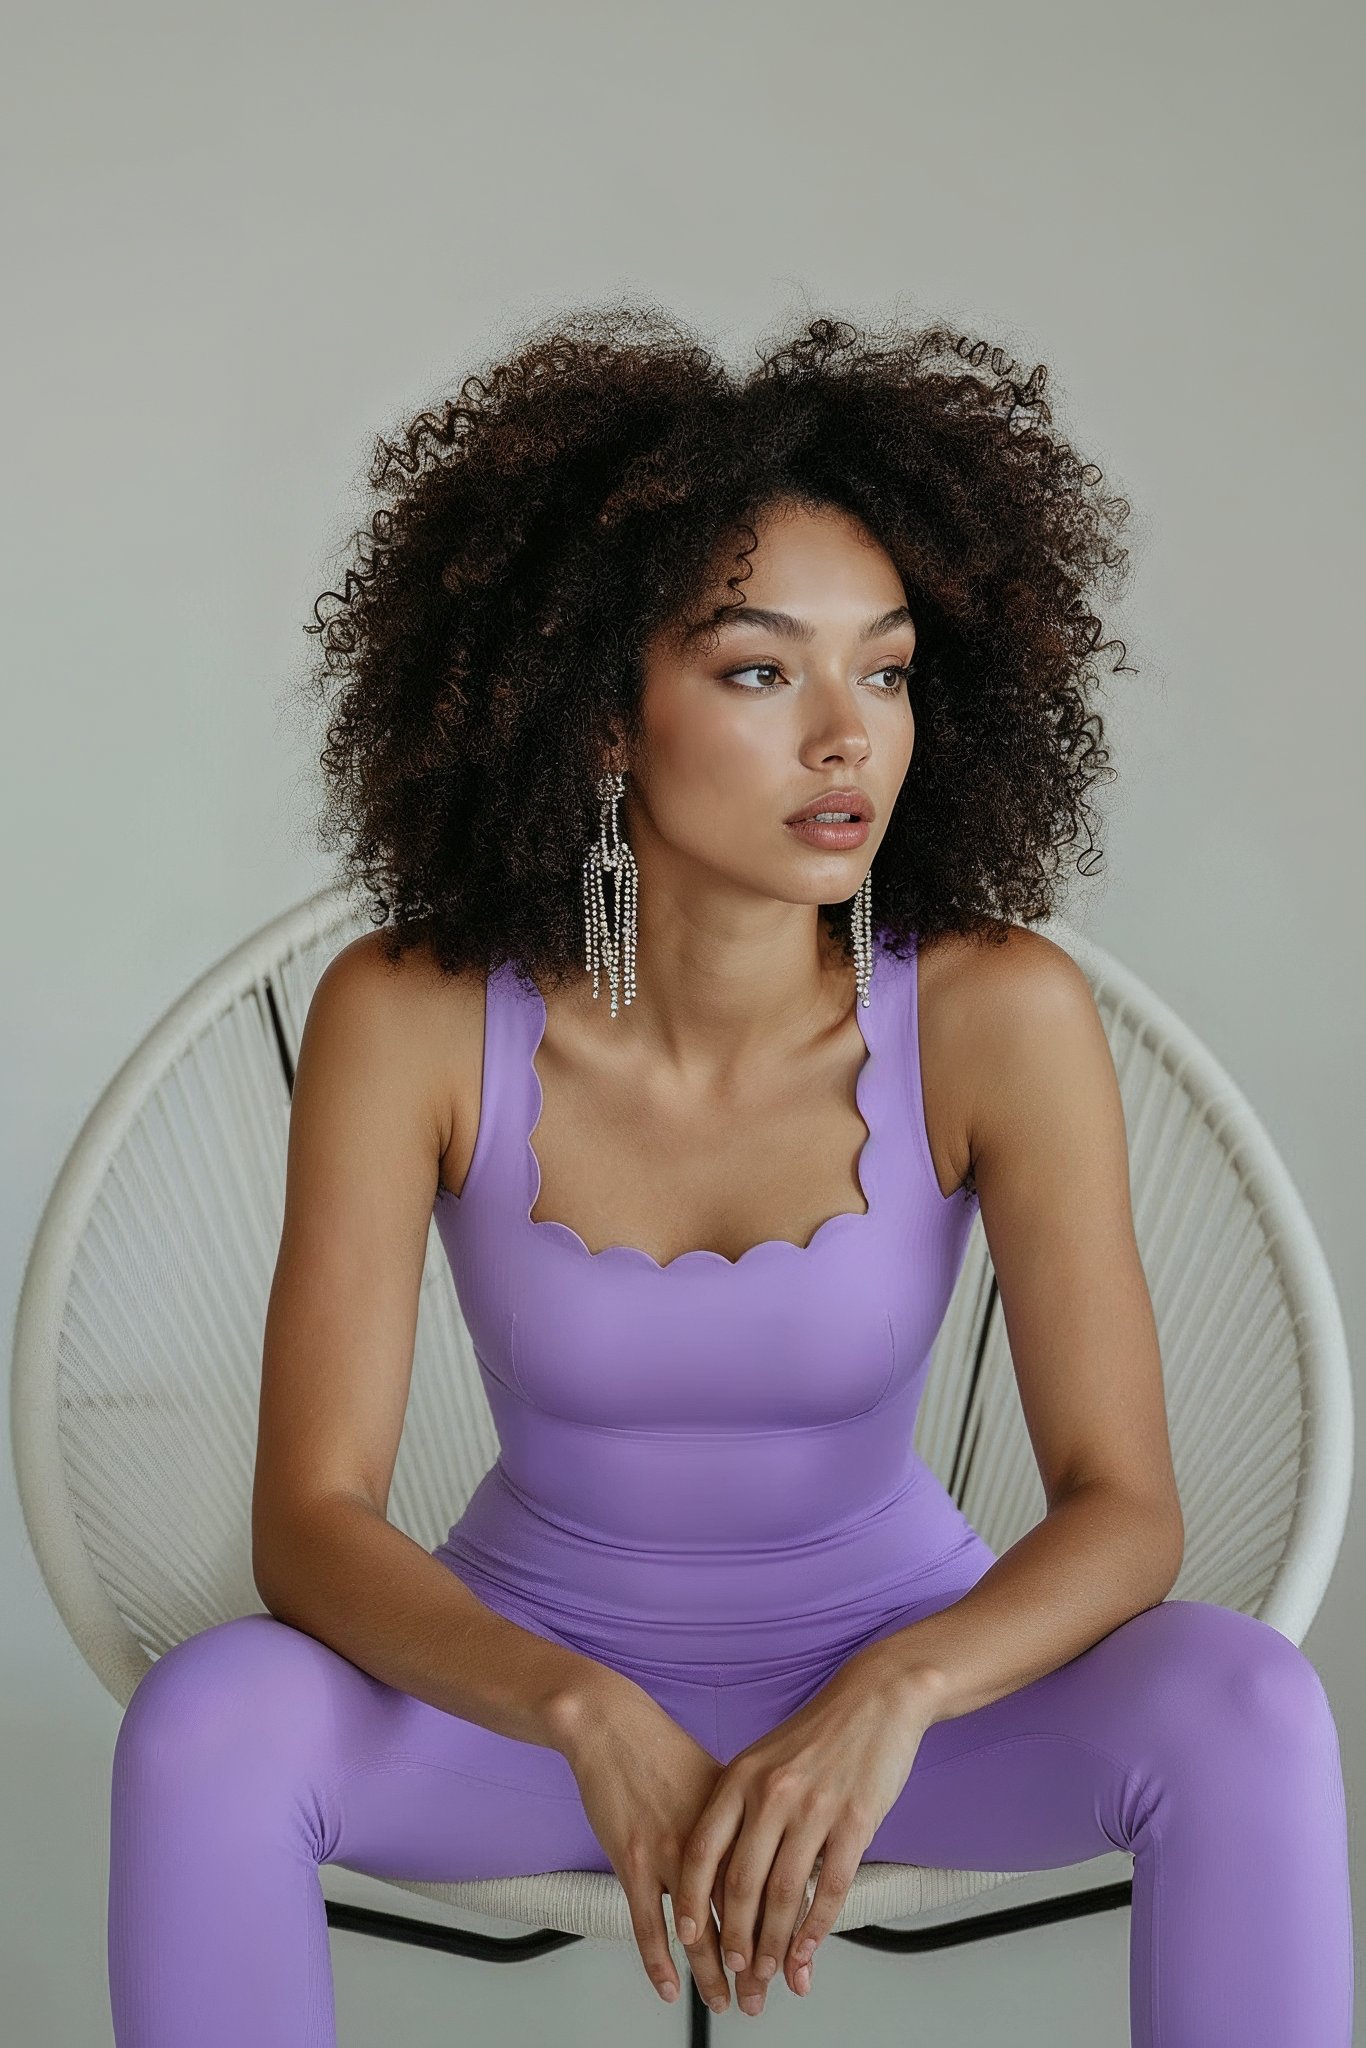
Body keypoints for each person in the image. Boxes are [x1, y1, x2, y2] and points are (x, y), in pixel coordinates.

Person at [106, 312, 1353, 2047]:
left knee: (1242, 1703)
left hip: (901, 1714)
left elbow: (1119, 1503)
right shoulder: (409, 1016)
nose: (847, 736)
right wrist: (578, 1710)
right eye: (762, 671)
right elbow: (310, 1522)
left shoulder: (998, 1011)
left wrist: (893, 1691)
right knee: (209, 1719)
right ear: (599, 716)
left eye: (890, 669)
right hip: (527, 1714)